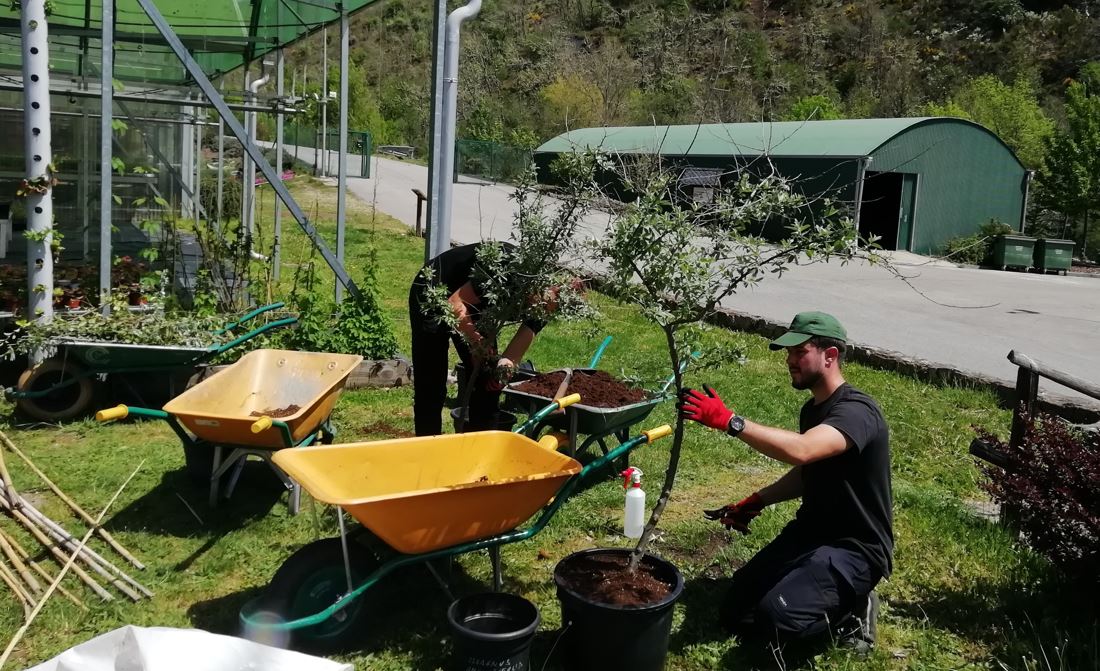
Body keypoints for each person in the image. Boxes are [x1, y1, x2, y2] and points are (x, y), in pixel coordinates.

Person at [678, 311, 892, 654]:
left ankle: (855, 610)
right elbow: (810, 473)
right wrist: (757, 500)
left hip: (855, 547)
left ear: (830, 355)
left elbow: (804, 451)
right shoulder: (813, 410)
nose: (790, 361)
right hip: (810, 534)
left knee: (777, 619)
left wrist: (730, 422)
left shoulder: (857, 411)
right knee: (736, 611)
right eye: (789, 353)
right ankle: (812, 589)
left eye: (799, 352)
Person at [409, 242, 547, 437]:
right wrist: (476, 342)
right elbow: (454, 305)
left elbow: (525, 335)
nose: (541, 311)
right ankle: (427, 450)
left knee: (488, 380)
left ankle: (478, 454)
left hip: (477, 307)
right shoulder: (508, 271)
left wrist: (504, 367)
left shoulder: (549, 303)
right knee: (432, 384)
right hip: (434, 292)